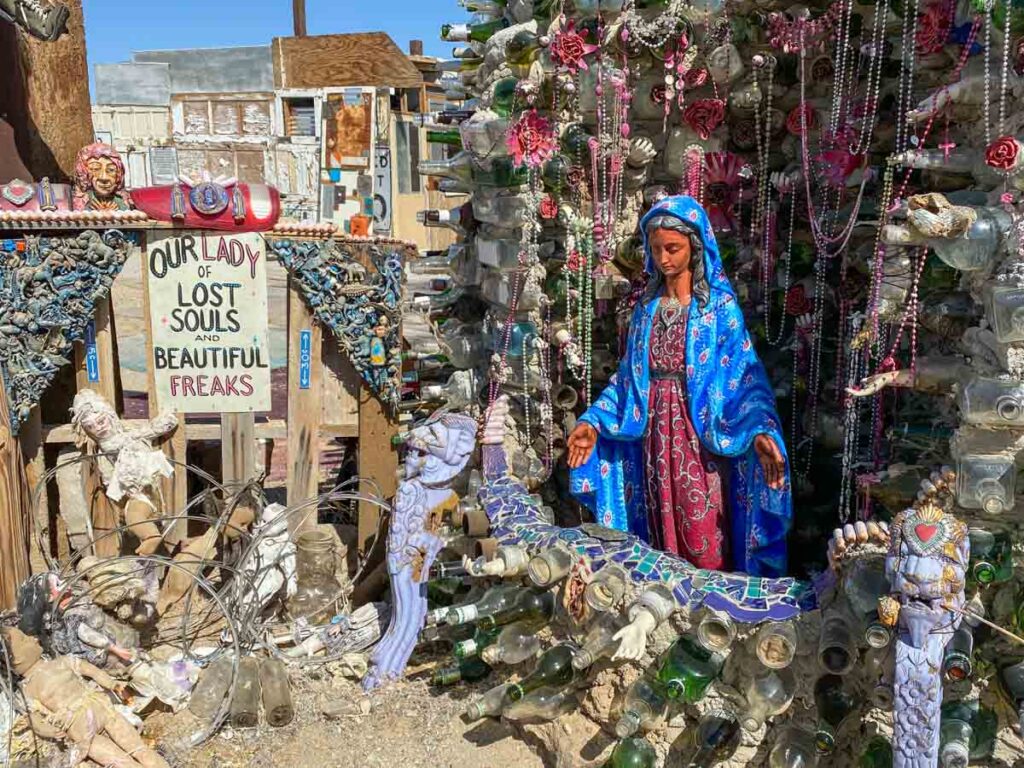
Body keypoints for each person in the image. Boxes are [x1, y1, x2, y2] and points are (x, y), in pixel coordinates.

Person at [567, 195, 791, 577]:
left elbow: (745, 378)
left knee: (703, 524)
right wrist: (592, 423)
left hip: (699, 437)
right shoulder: (646, 310)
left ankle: (709, 605)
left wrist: (760, 430)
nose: (663, 258)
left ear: (695, 247)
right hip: (653, 436)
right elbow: (626, 380)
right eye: (655, 250)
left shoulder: (718, 310)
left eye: (673, 248)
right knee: (655, 525)